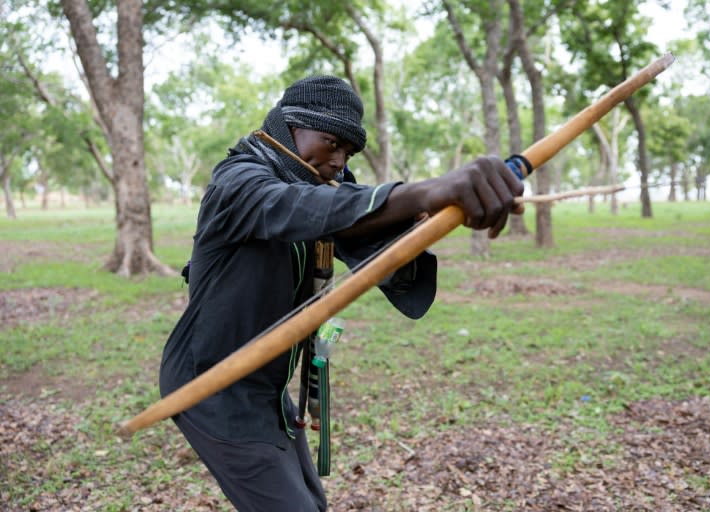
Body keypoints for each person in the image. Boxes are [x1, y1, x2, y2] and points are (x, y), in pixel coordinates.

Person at [158, 75, 525, 512]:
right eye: (331, 143)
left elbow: (361, 232)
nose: (337, 161)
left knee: (311, 503)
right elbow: (299, 208)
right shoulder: (238, 181)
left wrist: (417, 219)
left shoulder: (319, 185)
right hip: (211, 386)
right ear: (288, 127)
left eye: (347, 152)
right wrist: (423, 189)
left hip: (264, 388)